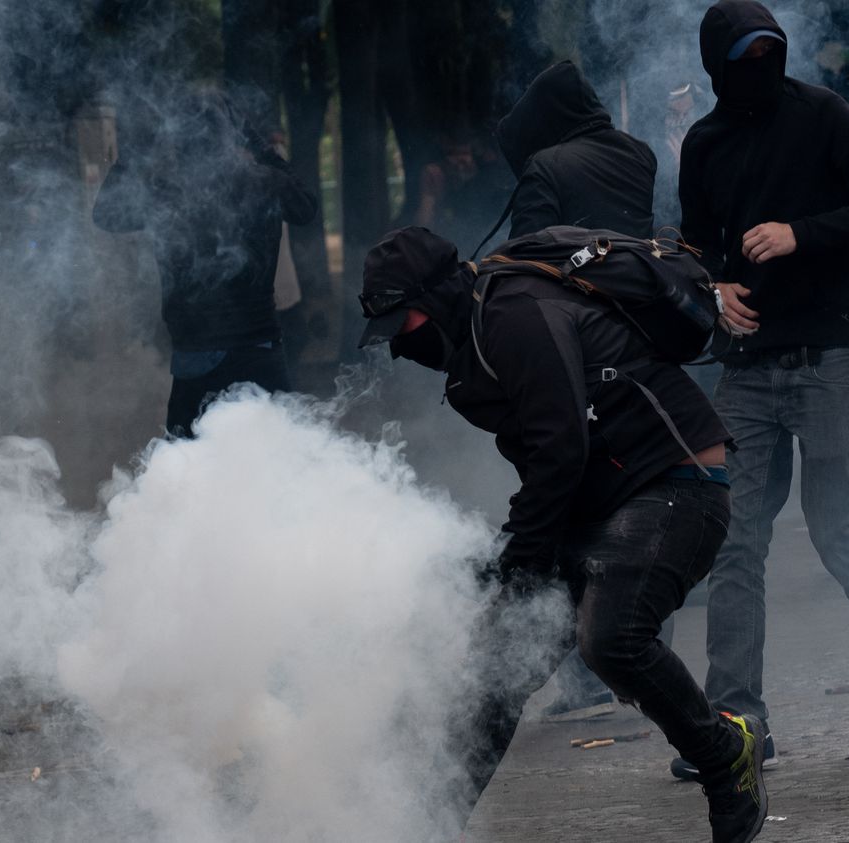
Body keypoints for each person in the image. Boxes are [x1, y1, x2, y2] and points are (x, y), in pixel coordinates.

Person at [356, 226, 769, 843]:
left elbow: (560, 447)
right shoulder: (471, 352)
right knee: (490, 673)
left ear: (436, 296)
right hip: (593, 503)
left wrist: (523, 554)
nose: (400, 347)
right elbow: (546, 467)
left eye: (404, 324)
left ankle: (724, 752)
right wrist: (510, 565)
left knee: (611, 639)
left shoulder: (514, 314)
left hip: (675, 481)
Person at [673, 0, 849, 781]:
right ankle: (739, 721)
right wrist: (714, 287)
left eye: (771, 51)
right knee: (734, 539)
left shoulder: (824, 115)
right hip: (748, 367)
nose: (760, 68)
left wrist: (802, 232)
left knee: (840, 532)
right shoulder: (702, 144)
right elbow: (695, 245)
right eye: (744, 57)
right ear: (718, 67)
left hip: (834, 355)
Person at [491, 59, 662, 722]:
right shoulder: (639, 154)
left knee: (575, 510)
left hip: (575, 355)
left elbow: (524, 263)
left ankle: (587, 666)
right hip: (639, 346)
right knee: (629, 502)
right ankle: (622, 655)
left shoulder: (547, 169)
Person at [92, 90, 319, 437]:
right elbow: (306, 207)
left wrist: (139, 143)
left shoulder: (165, 192)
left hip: (196, 355)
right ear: (231, 135)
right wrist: (258, 144)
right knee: (279, 465)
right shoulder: (263, 183)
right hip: (259, 348)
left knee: (188, 470)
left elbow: (105, 213)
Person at [493, 59, 656, 244]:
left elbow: (525, 255)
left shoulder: (545, 167)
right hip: (641, 271)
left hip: (573, 273)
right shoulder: (640, 154)